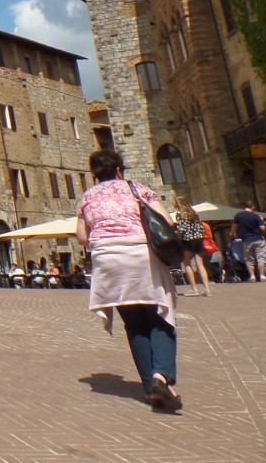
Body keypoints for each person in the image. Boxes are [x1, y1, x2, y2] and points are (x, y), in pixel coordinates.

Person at [77, 149, 181, 411]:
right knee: (160, 317)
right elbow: (166, 221)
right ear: (120, 170)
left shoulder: (87, 197)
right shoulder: (138, 190)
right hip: (140, 254)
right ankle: (162, 377)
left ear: (95, 174)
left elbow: (81, 236)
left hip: (107, 261)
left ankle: (150, 390)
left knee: (134, 324)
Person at [172, 198, 211, 298]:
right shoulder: (194, 213)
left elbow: (181, 230)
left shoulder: (181, 214)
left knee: (187, 264)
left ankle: (194, 289)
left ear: (178, 203)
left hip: (187, 240)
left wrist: (177, 238)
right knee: (200, 265)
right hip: (198, 239)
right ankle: (207, 289)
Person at [232, 201, 266, 283]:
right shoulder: (256, 216)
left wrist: (233, 234)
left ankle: (252, 276)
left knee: (249, 259)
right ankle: (262, 275)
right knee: (261, 258)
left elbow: (234, 227)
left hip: (246, 240)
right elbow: (262, 228)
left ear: (244, 207)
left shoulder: (238, 215)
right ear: (253, 207)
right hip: (258, 238)